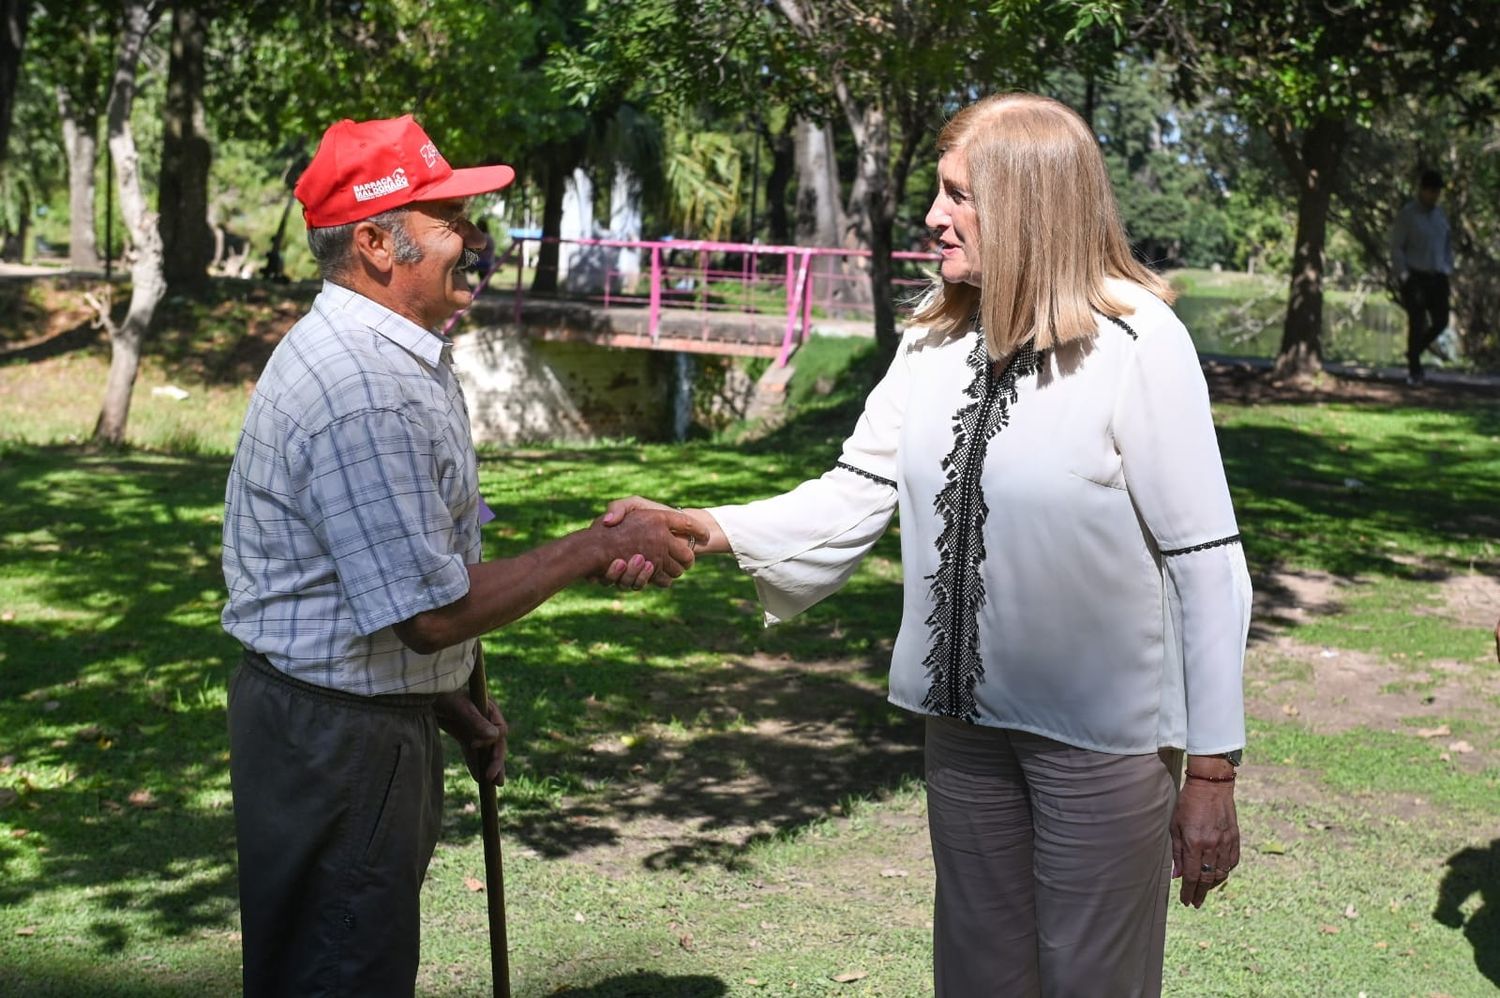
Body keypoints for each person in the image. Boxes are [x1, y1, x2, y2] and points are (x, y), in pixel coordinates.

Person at [601, 93, 1251, 997]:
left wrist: (1212, 771)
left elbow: (1206, 561)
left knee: (1091, 982)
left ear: (1031, 205)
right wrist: (708, 529)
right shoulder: (936, 335)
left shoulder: (1140, 342)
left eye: (960, 196)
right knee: (978, 977)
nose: (934, 216)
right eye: (939, 192)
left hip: (1100, 745)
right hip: (964, 731)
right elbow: (857, 490)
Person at [220, 114, 705, 997]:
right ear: (375, 243)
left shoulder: (397, 355)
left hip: (348, 722)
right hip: (338, 741)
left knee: (331, 961)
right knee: (338, 973)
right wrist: (598, 546)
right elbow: (427, 611)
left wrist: (456, 700)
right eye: (449, 217)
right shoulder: (363, 389)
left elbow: (391, 570)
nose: (476, 236)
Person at [1390, 169, 1456, 386]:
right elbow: (1397, 247)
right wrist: (1404, 275)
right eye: (1431, 191)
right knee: (1417, 322)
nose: (1434, 196)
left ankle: (1413, 351)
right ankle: (1414, 371)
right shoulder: (1408, 215)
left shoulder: (1440, 215)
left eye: (1437, 192)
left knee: (1441, 321)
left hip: (1437, 276)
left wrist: (1447, 267)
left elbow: (1447, 244)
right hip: (1415, 276)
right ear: (1422, 190)